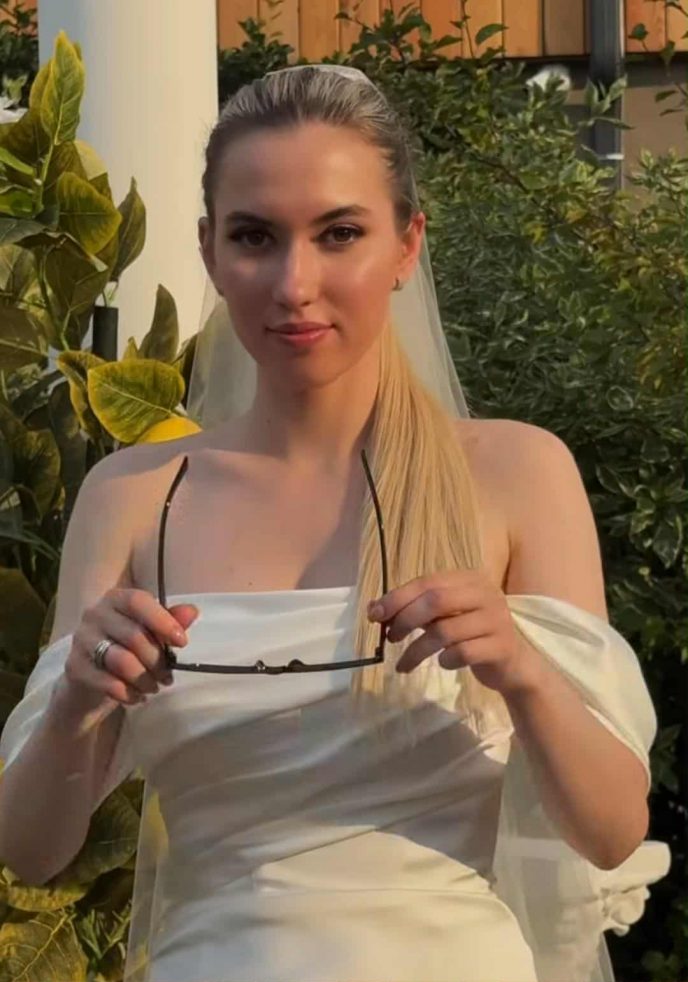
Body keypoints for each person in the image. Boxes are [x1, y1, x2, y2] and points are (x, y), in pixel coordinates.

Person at [0, 66, 668, 982]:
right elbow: (32, 851)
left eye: (339, 233)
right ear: (208, 251)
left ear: (407, 244)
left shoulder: (517, 474)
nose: (294, 283)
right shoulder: (135, 495)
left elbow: (611, 830)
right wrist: (77, 703)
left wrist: (522, 669)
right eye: (254, 237)